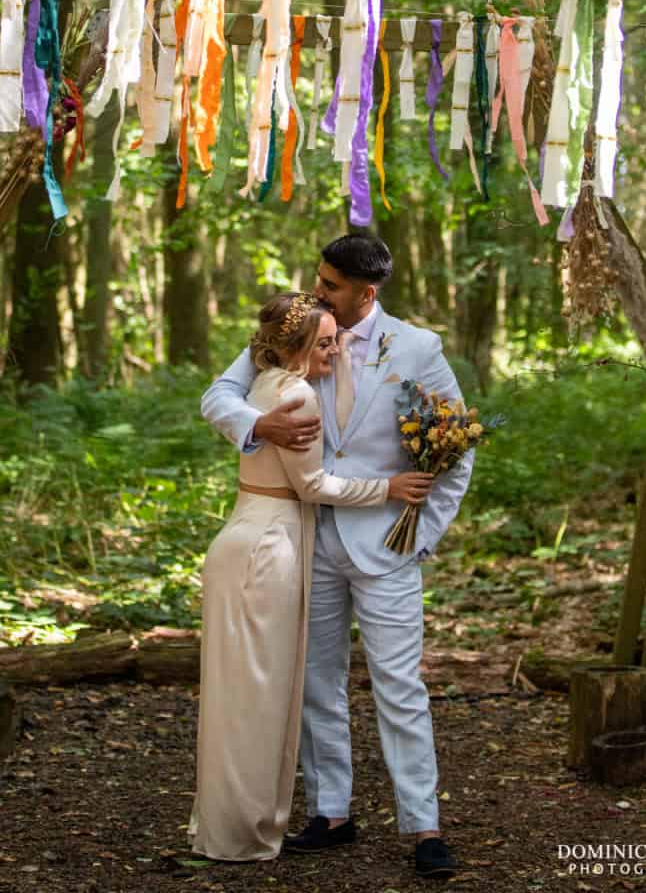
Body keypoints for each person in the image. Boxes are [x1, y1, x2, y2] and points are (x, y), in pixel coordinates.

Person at [200, 235, 474, 880]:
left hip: (387, 544)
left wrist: (421, 534)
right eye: (319, 279)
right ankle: (331, 812)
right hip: (307, 540)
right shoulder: (297, 330)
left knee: (400, 688)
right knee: (316, 682)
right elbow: (220, 394)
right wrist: (256, 425)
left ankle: (424, 825)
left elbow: (455, 448)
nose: (317, 290)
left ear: (366, 293)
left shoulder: (418, 348)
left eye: (330, 285)